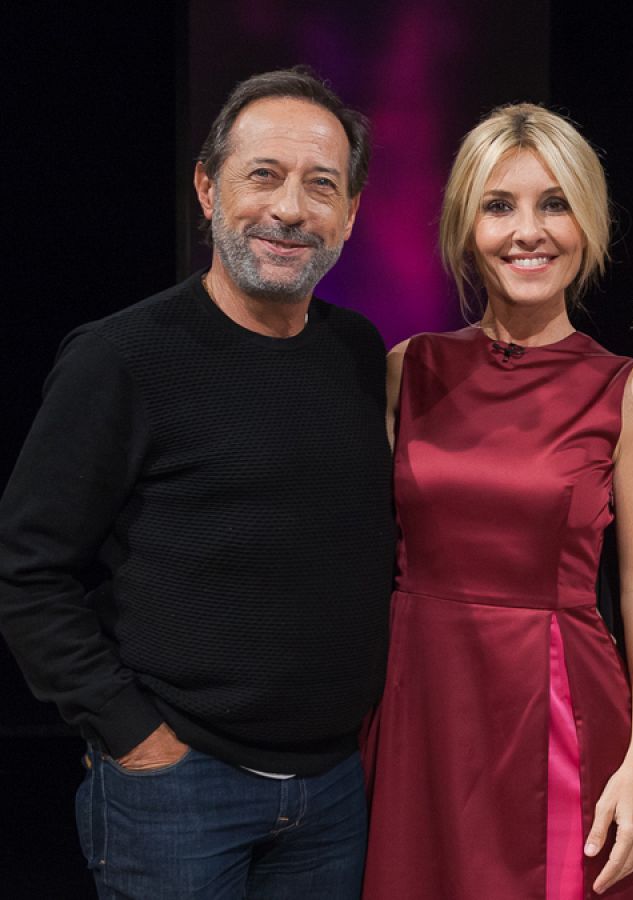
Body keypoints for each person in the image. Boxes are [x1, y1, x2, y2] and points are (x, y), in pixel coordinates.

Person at [0, 66, 392, 897]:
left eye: (321, 185)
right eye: (264, 175)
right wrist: (131, 734)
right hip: (178, 790)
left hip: (333, 792)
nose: (290, 208)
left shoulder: (359, 353)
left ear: (351, 215)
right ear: (207, 188)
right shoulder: (122, 358)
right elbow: (27, 572)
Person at [361, 103, 633, 900]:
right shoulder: (410, 369)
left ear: (589, 226)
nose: (527, 230)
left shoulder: (627, 391)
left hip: (560, 710)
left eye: (554, 203)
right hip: (418, 704)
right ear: (468, 228)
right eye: (500, 206)